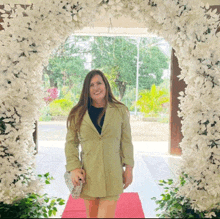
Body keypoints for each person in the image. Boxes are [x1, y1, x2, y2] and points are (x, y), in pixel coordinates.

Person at [65, 69, 134, 218]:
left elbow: (126, 142)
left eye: (99, 83)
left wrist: (129, 168)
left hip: (112, 174)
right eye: (91, 85)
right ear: (87, 90)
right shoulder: (77, 113)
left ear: (106, 85)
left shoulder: (120, 110)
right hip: (89, 175)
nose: (96, 88)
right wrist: (74, 168)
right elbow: (71, 143)